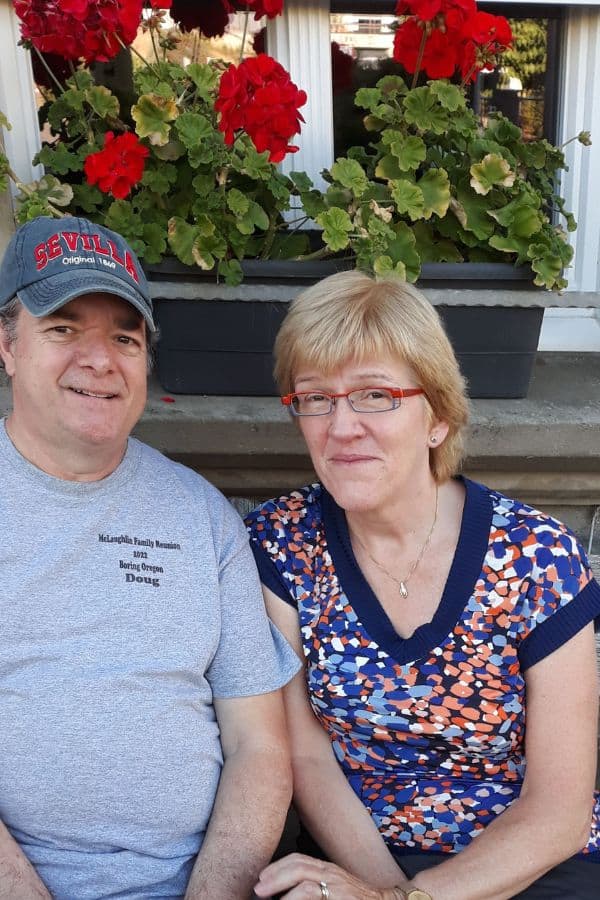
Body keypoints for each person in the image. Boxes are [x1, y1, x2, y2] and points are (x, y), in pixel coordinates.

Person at [245, 270, 600, 900]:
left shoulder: (536, 556)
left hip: (533, 863)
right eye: (315, 398)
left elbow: (560, 809)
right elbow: (305, 760)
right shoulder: (281, 544)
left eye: (375, 395)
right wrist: (379, 891)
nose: (341, 425)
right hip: (357, 861)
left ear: (437, 417)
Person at [0, 215, 300, 900]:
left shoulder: (202, 516)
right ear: (7, 344)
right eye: (64, 329)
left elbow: (259, 746)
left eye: (125, 338)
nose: (100, 360)